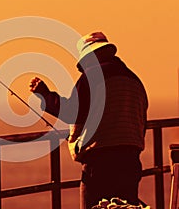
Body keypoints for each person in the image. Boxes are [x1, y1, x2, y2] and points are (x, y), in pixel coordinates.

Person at [29, 32, 148, 209]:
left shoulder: (91, 77)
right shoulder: (134, 79)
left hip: (100, 164)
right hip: (130, 160)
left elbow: (71, 112)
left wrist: (45, 95)